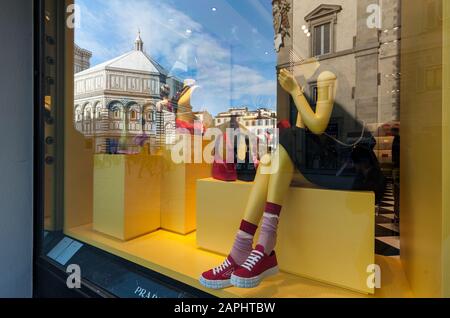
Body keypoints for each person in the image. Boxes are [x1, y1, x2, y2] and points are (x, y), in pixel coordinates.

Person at [199, 69, 383, 289]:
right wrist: (297, 92)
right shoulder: (304, 86)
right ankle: (243, 246)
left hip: (347, 166)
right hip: (322, 165)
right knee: (268, 159)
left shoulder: (324, 76)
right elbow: (299, 131)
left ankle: (263, 243)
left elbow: (317, 126)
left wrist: (295, 90)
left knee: (284, 142)